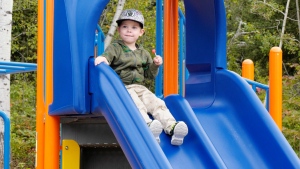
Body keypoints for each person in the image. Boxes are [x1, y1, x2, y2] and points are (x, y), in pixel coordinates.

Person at [94, 9, 188, 145]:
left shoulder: (143, 53)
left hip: (140, 88)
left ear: (141, 32)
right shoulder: (116, 47)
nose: (129, 30)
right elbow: (107, 57)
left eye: (134, 27)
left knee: (157, 103)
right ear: (119, 30)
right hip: (122, 88)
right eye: (125, 27)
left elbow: (149, 75)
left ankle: (172, 127)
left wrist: (155, 65)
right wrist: (103, 59)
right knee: (137, 104)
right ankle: (148, 126)